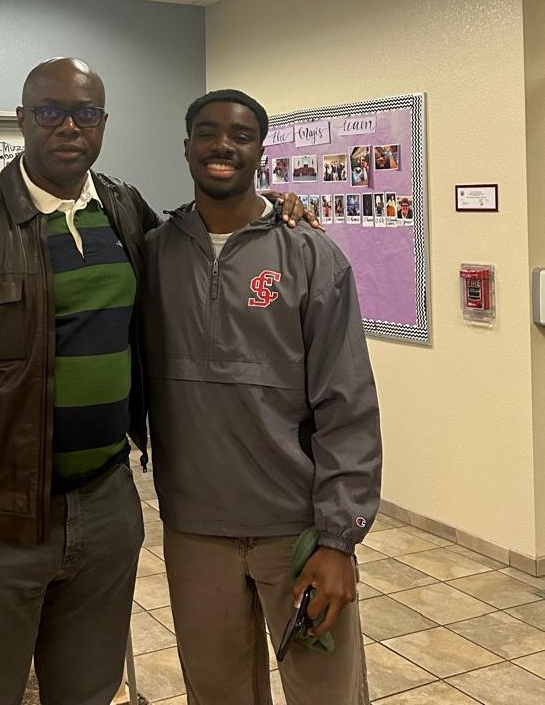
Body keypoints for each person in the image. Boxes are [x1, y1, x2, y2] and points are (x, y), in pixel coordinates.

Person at [0, 59, 315, 705]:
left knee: (89, 690)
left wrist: (270, 208)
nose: (68, 127)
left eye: (86, 113)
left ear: (103, 124)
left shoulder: (123, 210)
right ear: (23, 120)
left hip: (108, 506)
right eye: (49, 111)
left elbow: (200, 238)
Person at [141, 89, 382, 705]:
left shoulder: (311, 256)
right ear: (187, 146)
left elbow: (347, 404)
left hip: (295, 532)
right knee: (217, 695)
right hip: (195, 530)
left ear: (261, 150)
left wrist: (339, 541)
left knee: (327, 694)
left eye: (241, 135)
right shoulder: (151, 255)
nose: (223, 144)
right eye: (208, 132)